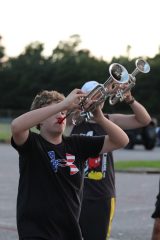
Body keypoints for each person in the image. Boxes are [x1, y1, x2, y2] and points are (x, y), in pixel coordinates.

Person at [10, 88, 129, 240]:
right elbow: (16, 126)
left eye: (63, 111)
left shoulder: (76, 144)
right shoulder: (32, 144)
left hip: (69, 230)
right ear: (40, 119)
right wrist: (64, 104)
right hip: (36, 232)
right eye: (54, 111)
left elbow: (122, 140)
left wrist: (100, 118)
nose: (61, 114)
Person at [67, 81, 151, 240]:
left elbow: (144, 120)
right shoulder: (74, 121)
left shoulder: (110, 119)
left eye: (101, 96)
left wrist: (130, 99)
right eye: (94, 96)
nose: (98, 100)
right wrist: (76, 106)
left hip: (102, 194)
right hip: (74, 192)